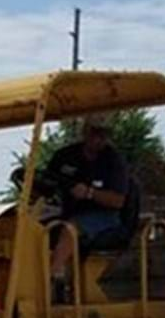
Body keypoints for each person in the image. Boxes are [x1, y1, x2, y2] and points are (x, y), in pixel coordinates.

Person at [38, 117, 132, 296]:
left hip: (105, 217)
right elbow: (47, 181)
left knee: (70, 228)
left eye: (103, 134)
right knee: (33, 226)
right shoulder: (64, 156)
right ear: (85, 132)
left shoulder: (113, 162)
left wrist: (89, 193)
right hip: (66, 211)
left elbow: (118, 201)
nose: (98, 138)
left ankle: (51, 280)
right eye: (94, 133)